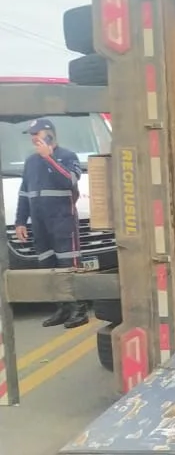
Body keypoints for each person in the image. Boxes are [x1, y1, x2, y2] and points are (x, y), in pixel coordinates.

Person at [14, 118, 89, 328]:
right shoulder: (30, 162)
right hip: (40, 224)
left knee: (69, 266)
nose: (33, 140)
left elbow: (69, 181)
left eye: (36, 135)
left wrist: (49, 159)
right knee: (48, 267)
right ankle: (62, 309)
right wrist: (20, 220)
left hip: (62, 221)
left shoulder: (67, 156)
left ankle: (79, 309)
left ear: (49, 135)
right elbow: (24, 193)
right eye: (31, 136)